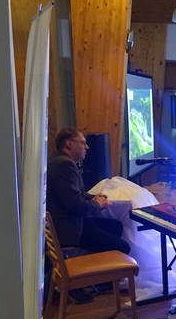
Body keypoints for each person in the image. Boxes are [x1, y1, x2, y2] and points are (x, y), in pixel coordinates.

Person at [47, 128, 131, 303]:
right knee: (123, 247)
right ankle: (91, 284)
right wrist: (97, 204)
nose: (87, 147)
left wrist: (93, 198)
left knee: (116, 226)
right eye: (83, 143)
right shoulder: (64, 165)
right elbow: (75, 205)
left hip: (70, 222)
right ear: (69, 144)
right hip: (70, 229)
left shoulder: (58, 160)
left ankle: (101, 279)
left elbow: (76, 195)